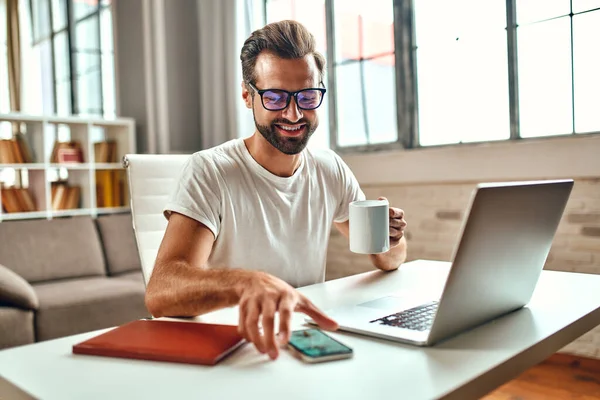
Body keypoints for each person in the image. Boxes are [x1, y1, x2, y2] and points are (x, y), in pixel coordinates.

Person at [145, 20, 408, 360]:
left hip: (303, 341)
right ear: (247, 96)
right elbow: (161, 291)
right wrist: (247, 283)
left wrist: (393, 237)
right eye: (275, 97)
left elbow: (389, 260)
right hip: (233, 349)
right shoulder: (210, 170)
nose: (294, 113)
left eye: (307, 96)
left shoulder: (330, 169)